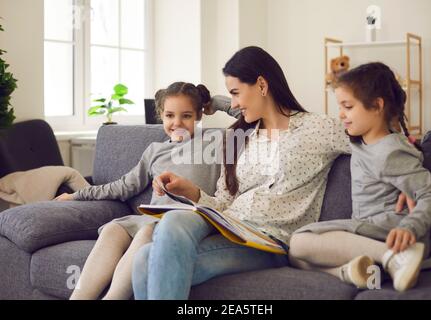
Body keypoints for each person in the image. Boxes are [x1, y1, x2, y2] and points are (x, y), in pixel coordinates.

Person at [131, 46, 362, 300]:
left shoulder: (318, 128)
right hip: (229, 224)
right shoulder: (236, 137)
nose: (235, 103)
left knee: (146, 261)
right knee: (156, 240)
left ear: (262, 85)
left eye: (236, 93)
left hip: (269, 241)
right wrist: (191, 191)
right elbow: (223, 203)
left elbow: (378, 142)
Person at [54, 82, 221, 300]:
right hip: (152, 217)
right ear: (161, 114)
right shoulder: (155, 150)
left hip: (183, 223)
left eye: (186, 116)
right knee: (114, 229)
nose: (177, 123)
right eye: (170, 115)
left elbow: (258, 119)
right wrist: (76, 195)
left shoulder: (215, 142)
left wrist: (214, 103)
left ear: (199, 114)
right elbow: (123, 186)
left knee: (147, 232)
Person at [288, 62, 431, 292]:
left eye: (348, 106)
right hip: (368, 232)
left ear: (377, 106)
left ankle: (395, 257)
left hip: (391, 232)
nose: (341, 114)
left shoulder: (389, 150)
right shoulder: (361, 139)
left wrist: (410, 228)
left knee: (299, 242)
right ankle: (358, 271)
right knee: (296, 258)